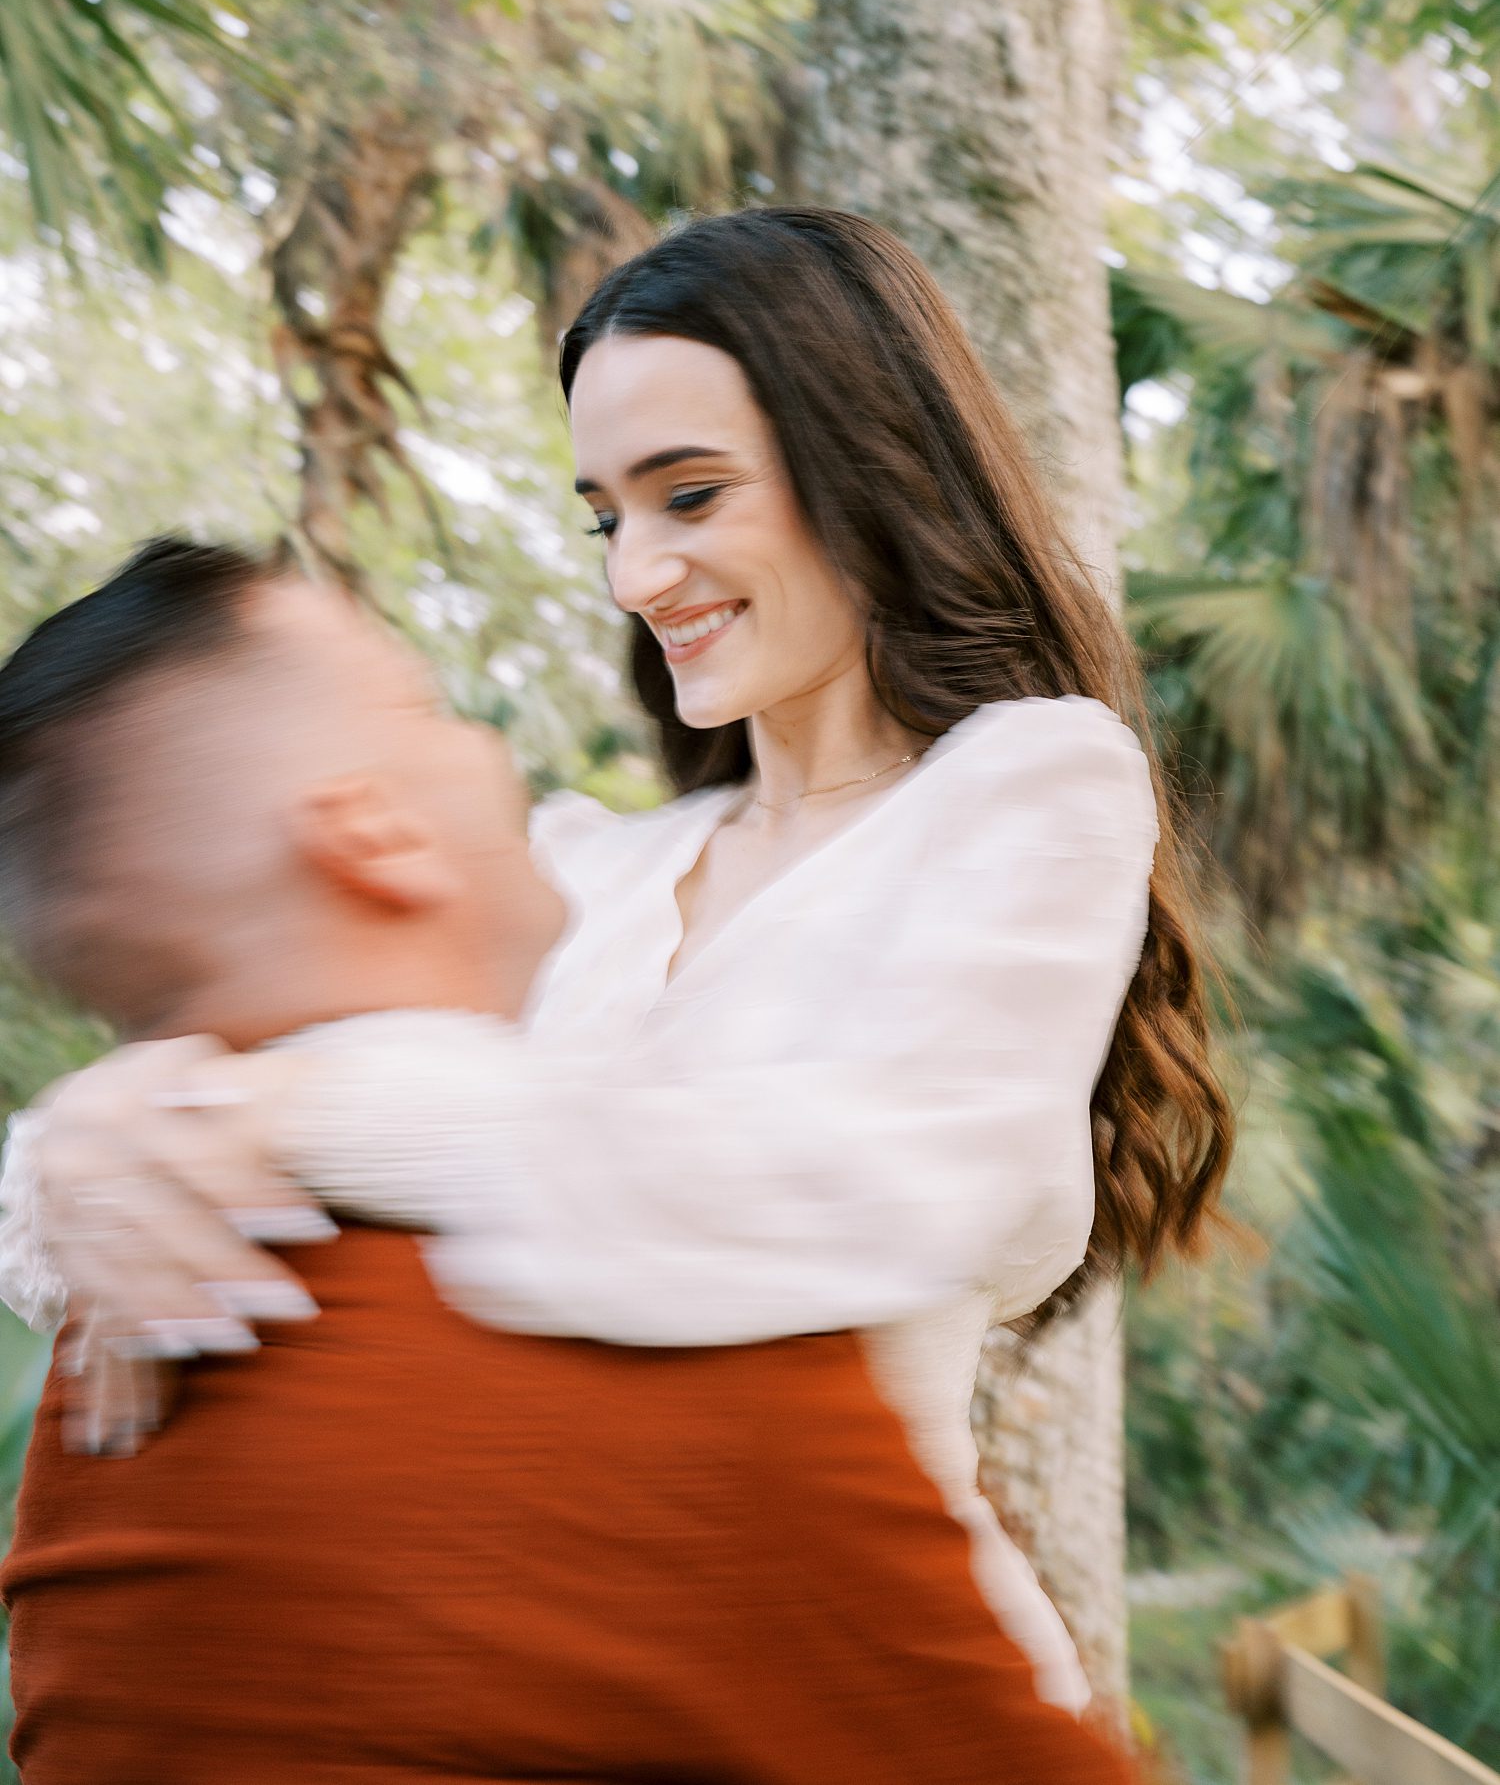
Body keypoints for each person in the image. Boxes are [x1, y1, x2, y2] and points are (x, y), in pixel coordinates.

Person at [0, 207, 1235, 1712]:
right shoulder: (587, 867)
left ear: (866, 466)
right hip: (573, 1691)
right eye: (606, 517)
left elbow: (859, 1181)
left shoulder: (1034, 786)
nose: (636, 576)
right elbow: (172, 1189)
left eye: (691, 495)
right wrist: (94, 1133)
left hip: (876, 1698)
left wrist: (284, 1116)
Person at [0, 539, 1140, 1785]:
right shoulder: (674, 1352)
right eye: (427, 708)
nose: (639, 575)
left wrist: (228, 1100)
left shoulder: (100, 1378)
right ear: (373, 834)